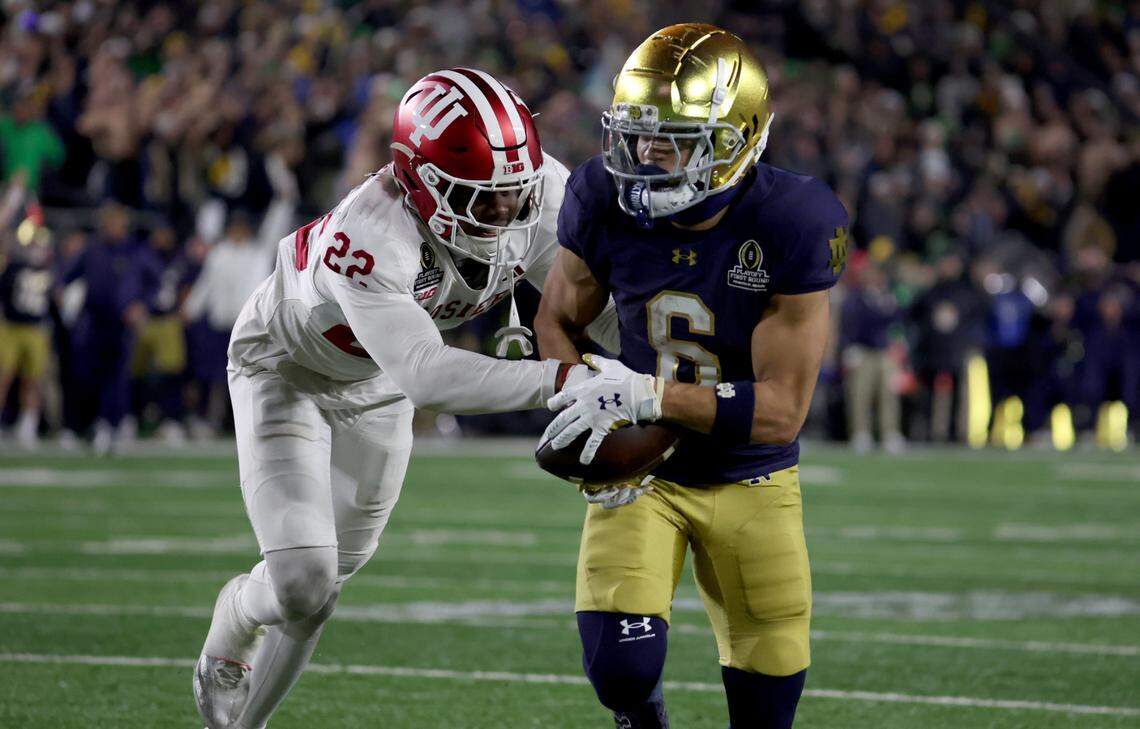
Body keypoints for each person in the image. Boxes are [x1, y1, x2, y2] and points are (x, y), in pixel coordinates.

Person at [192, 67, 615, 729]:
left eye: (513, 193)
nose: (504, 212)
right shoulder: (369, 234)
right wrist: (565, 380)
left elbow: (602, 310)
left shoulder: (537, 192)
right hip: (286, 368)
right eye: (481, 199)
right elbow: (426, 373)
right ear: (419, 182)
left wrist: (650, 380)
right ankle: (238, 614)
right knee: (302, 576)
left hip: (375, 378)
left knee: (327, 584)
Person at [535, 25, 848, 729]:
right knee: (622, 669)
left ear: (737, 139)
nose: (646, 155)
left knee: (766, 700)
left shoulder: (792, 220)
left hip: (754, 472)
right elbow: (556, 316)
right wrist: (579, 389)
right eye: (639, 135)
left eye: (673, 138)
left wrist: (648, 392)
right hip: (646, 472)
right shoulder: (601, 196)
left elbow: (780, 411)